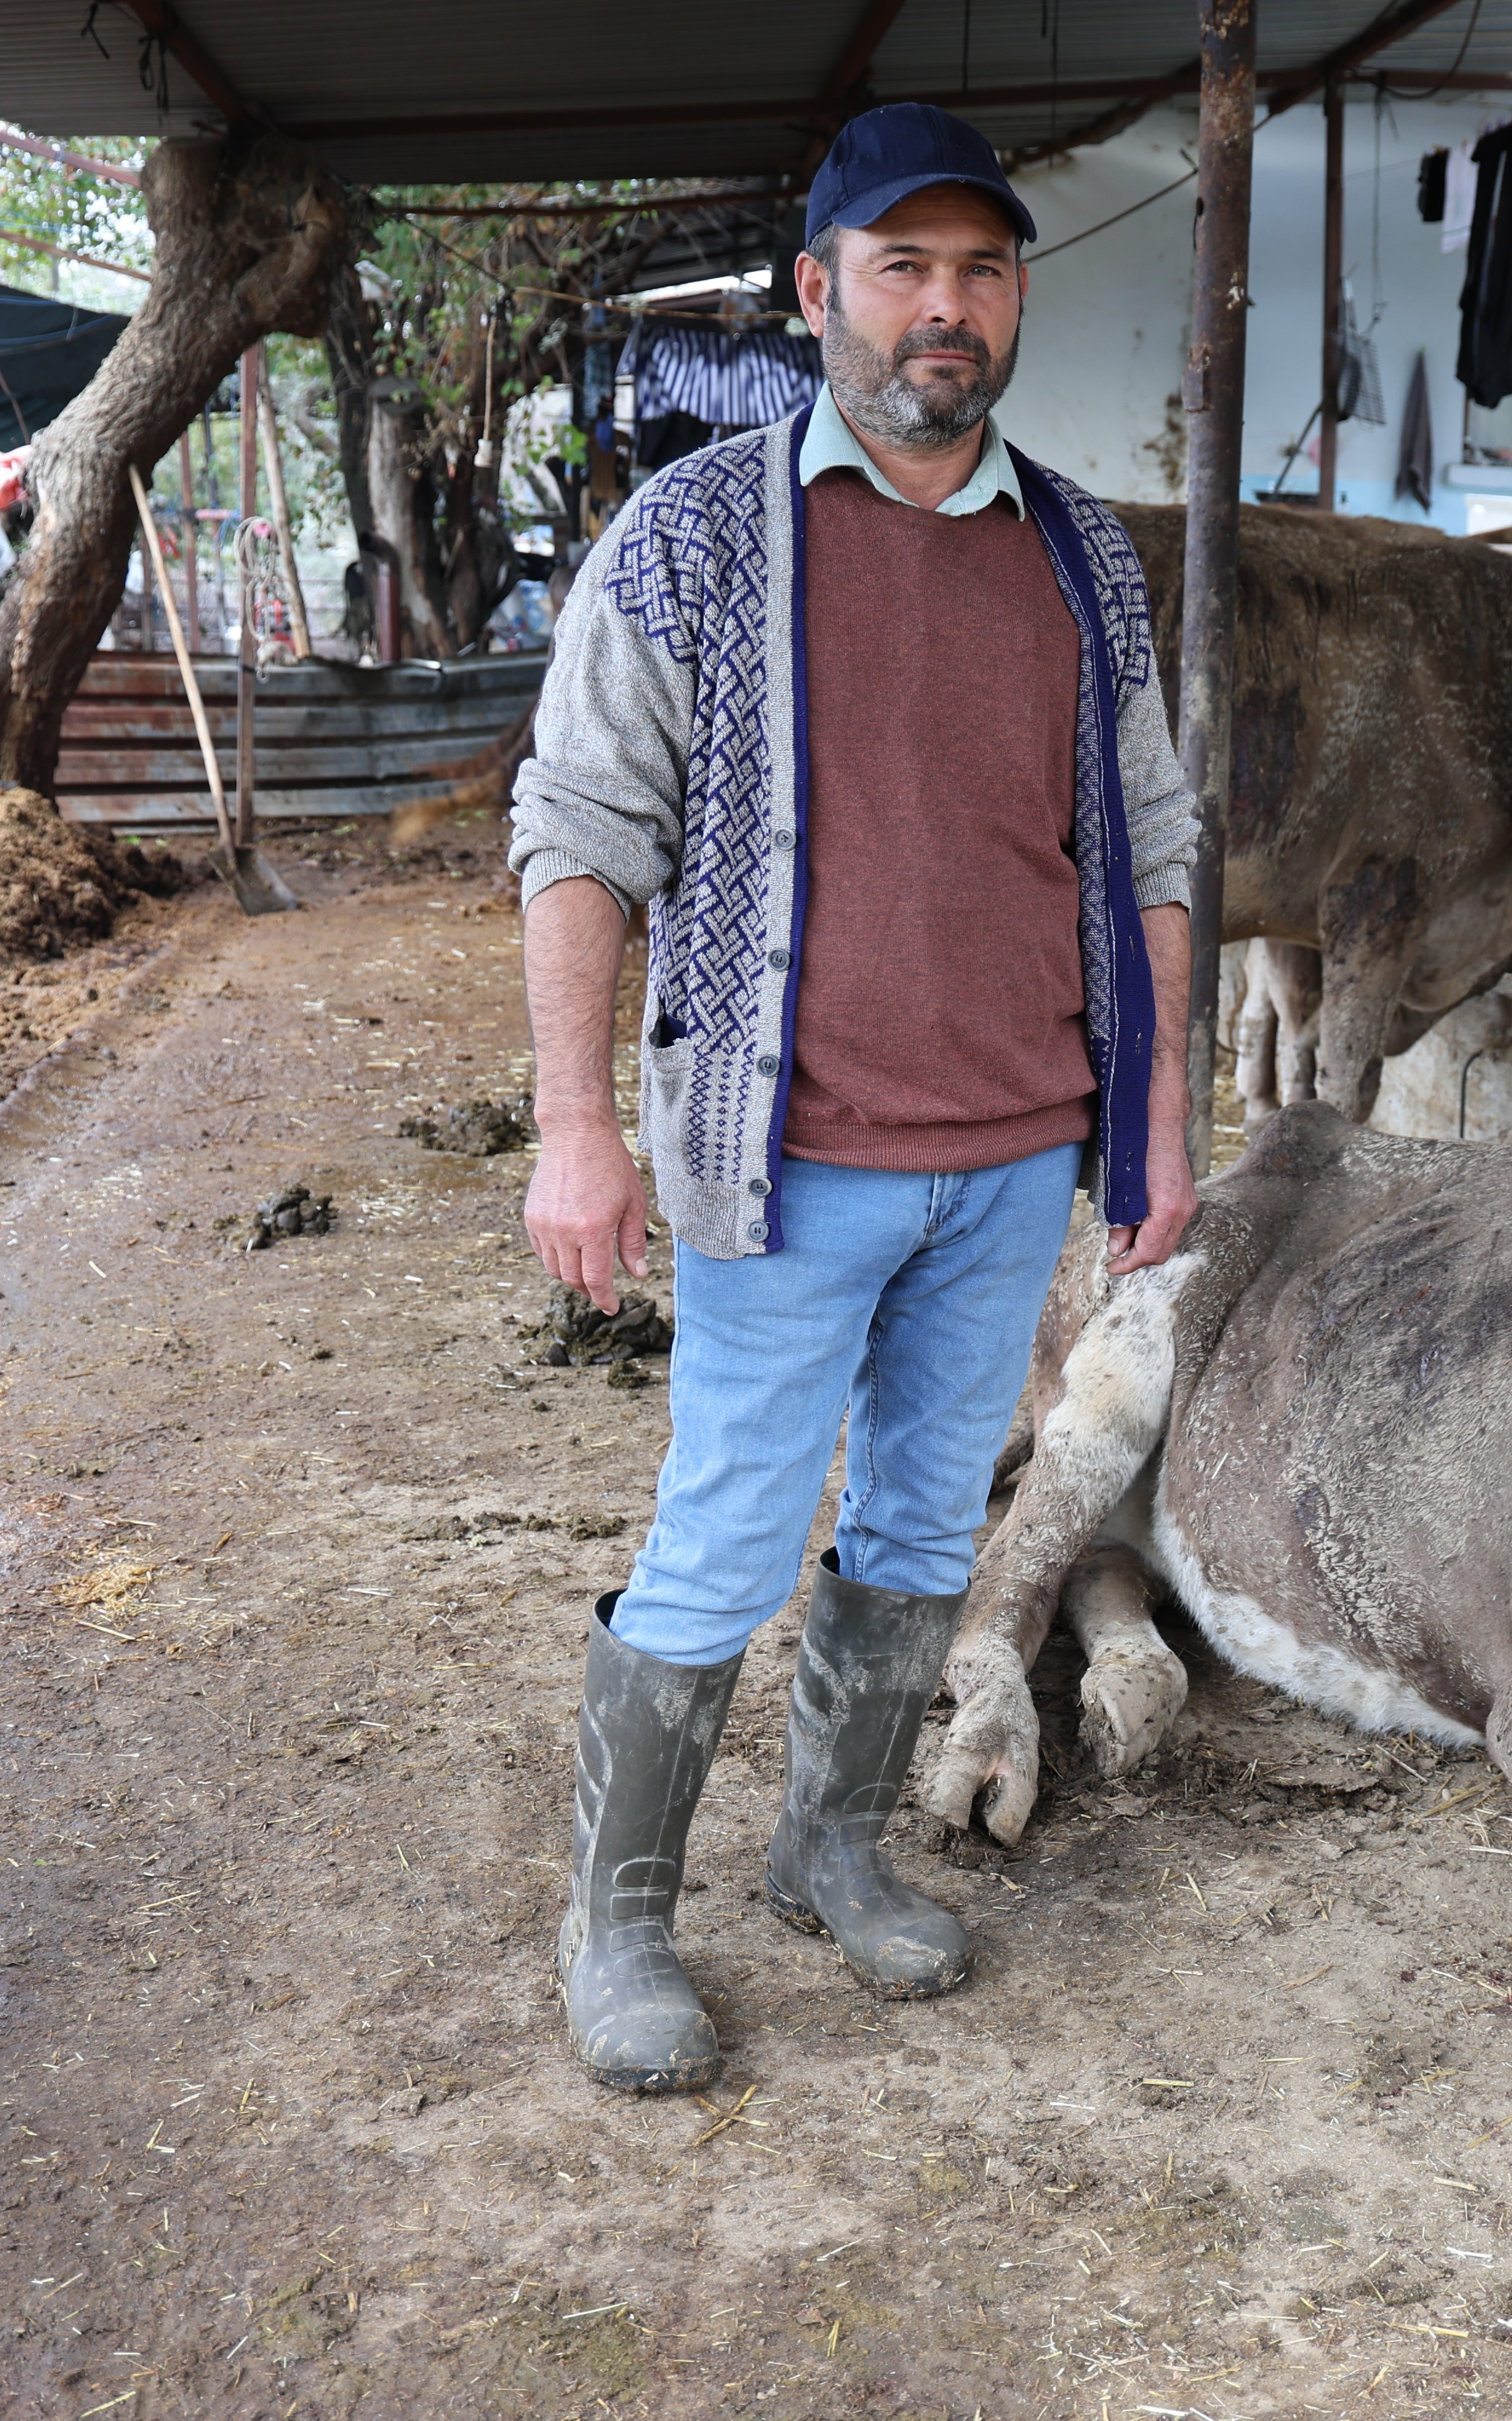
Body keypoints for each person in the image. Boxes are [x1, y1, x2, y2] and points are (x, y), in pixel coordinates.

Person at [508, 103, 1199, 2095]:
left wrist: (1155, 1123)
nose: (945, 307)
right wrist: (576, 1124)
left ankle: (828, 1850)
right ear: (819, 294)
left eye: (981, 269)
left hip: (1015, 1154)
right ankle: (621, 1921)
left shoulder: (1081, 553)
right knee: (726, 1535)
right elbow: (580, 830)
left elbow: (1150, 846)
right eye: (903, 268)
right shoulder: (698, 536)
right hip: (786, 1158)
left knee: (916, 1521)